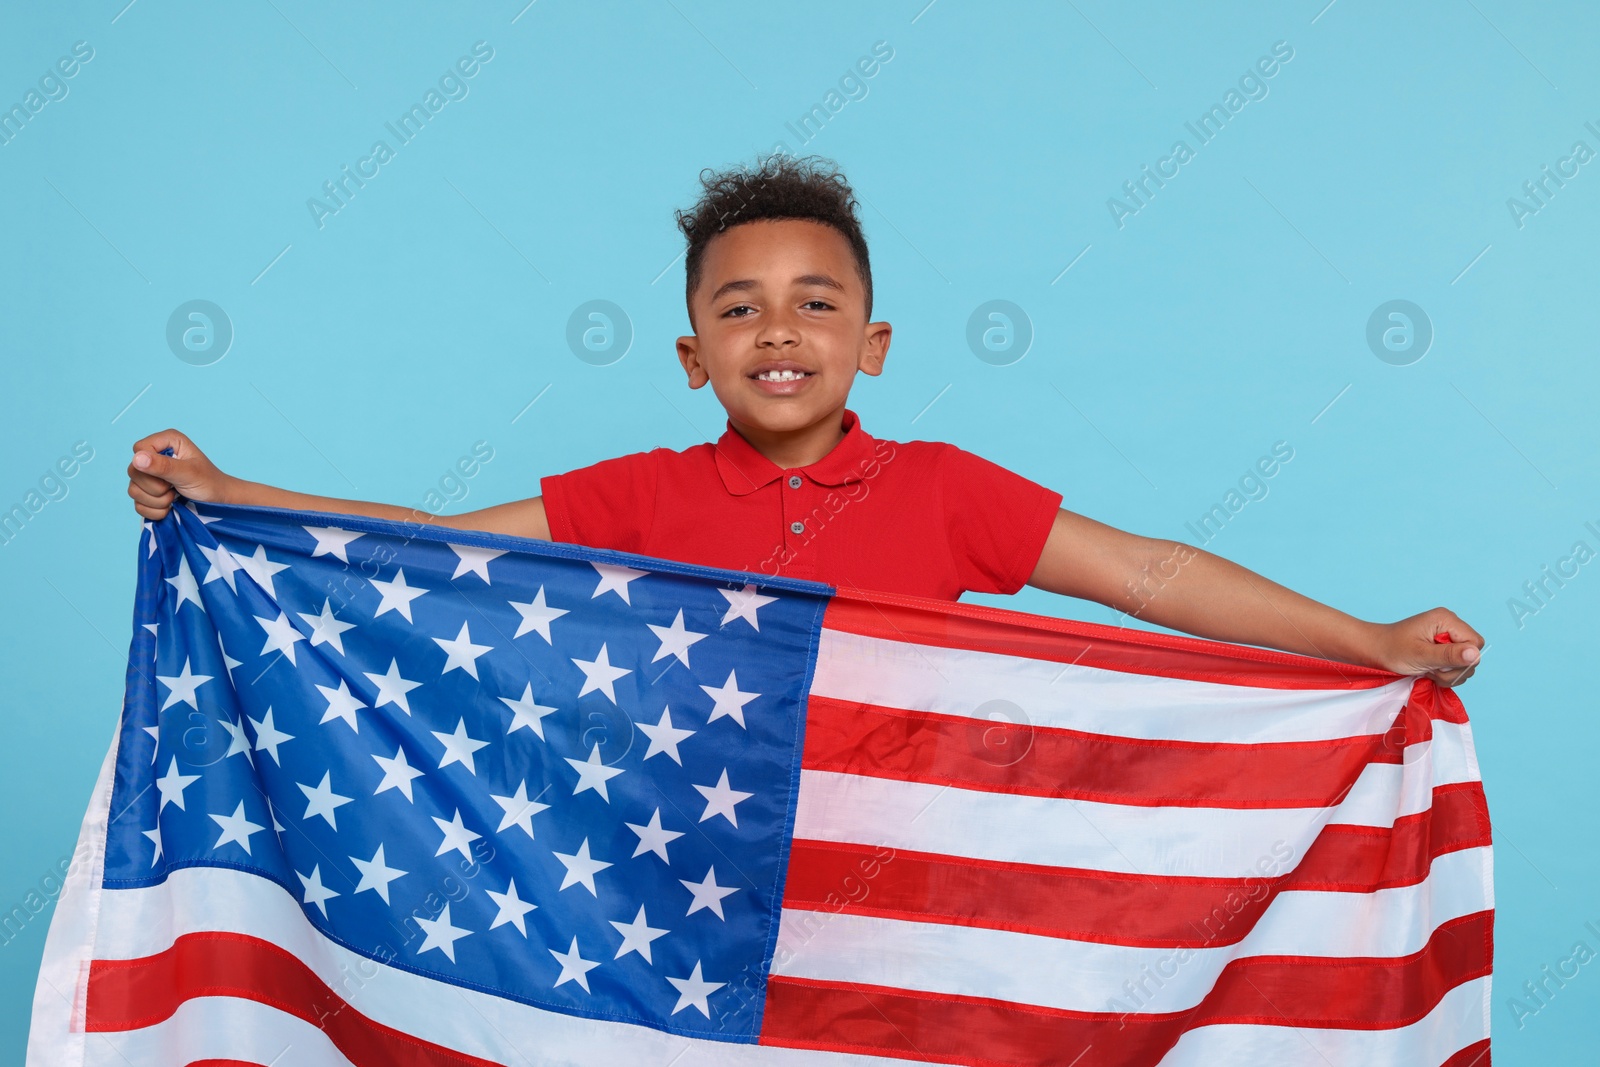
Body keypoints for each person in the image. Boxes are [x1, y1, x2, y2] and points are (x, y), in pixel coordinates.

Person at [125, 155, 1481, 686]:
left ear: (871, 346)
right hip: (686, 898)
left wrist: (1363, 639)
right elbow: (429, 551)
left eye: (816, 304)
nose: (778, 331)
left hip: (901, 903)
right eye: (739, 310)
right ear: (691, 356)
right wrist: (236, 496)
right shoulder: (642, 493)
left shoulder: (945, 487)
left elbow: (1148, 576)